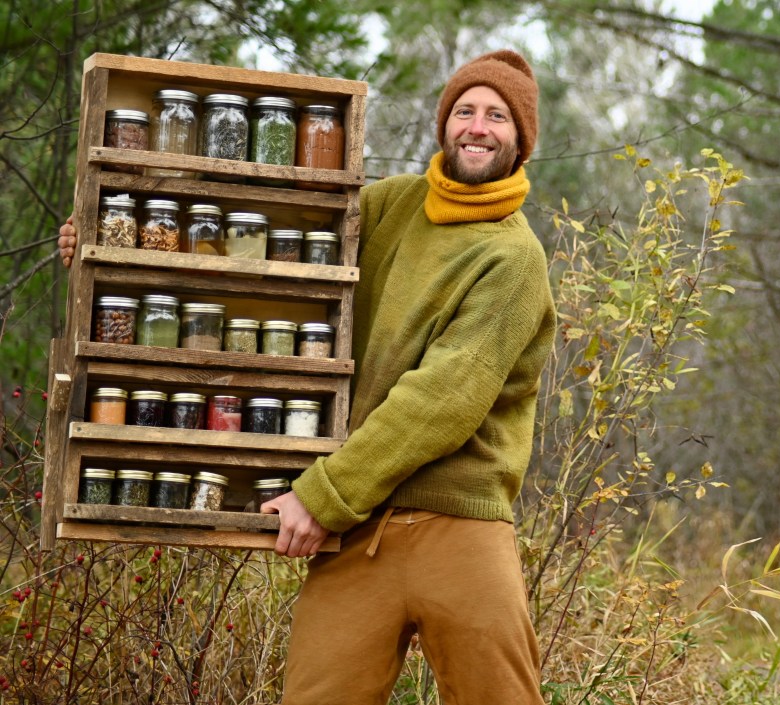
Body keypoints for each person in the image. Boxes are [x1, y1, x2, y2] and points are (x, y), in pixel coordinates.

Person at [59, 49, 555, 704]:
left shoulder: (514, 257)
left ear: (520, 140)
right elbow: (268, 250)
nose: (477, 126)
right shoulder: (389, 207)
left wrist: (322, 496)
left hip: (456, 523)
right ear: (444, 124)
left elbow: (445, 396)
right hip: (358, 527)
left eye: (497, 116)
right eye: (464, 109)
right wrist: (107, 248)